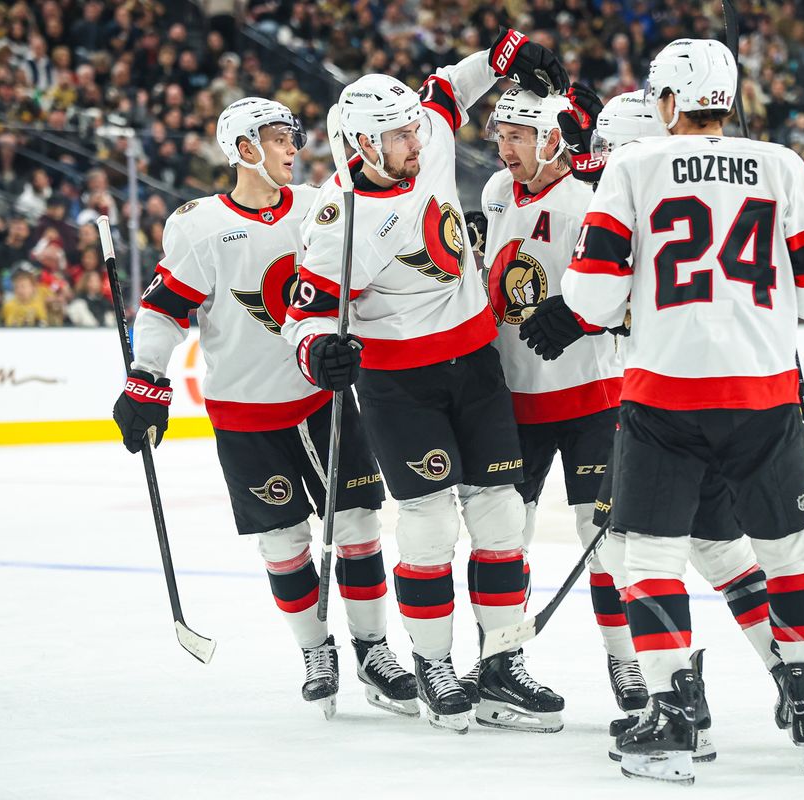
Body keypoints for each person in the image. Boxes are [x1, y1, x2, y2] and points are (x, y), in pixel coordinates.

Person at [563, 39, 804, 784]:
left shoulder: (632, 166)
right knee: (788, 555)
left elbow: (591, 297)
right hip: (762, 393)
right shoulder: (783, 165)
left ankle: (670, 719)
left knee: (651, 560)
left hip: (665, 396)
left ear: (664, 103)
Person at [283, 29, 570, 735]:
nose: (417, 140)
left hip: (475, 365)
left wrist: (504, 54)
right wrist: (318, 351)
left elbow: (451, 87)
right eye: (400, 135)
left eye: (413, 128)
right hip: (398, 383)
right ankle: (434, 661)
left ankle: (503, 662)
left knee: (501, 514)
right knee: (431, 523)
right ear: (361, 147)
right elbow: (303, 314)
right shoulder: (337, 221)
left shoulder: (427, 137)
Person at [112, 97, 417, 719]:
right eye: (279, 137)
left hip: (318, 399)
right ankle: (315, 650)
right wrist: (147, 377)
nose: (292, 148)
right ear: (244, 149)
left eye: (292, 137)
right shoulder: (200, 228)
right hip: (246, 413)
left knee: (358, 525)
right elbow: (165, 308)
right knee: (283, 541)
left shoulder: (314, 208)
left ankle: (374, 649)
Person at [473, 85, 645, 714]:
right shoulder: (495, 194)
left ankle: (628, 665)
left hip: (592, 398)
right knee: (502, 536)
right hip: (511, 399)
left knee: (602, 538)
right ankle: (500, 663)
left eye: (516, 135)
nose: (502, 148)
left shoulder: (592, 199)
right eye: (500, 135)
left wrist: (587, 317)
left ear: (551, 140)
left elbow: (632, 291)